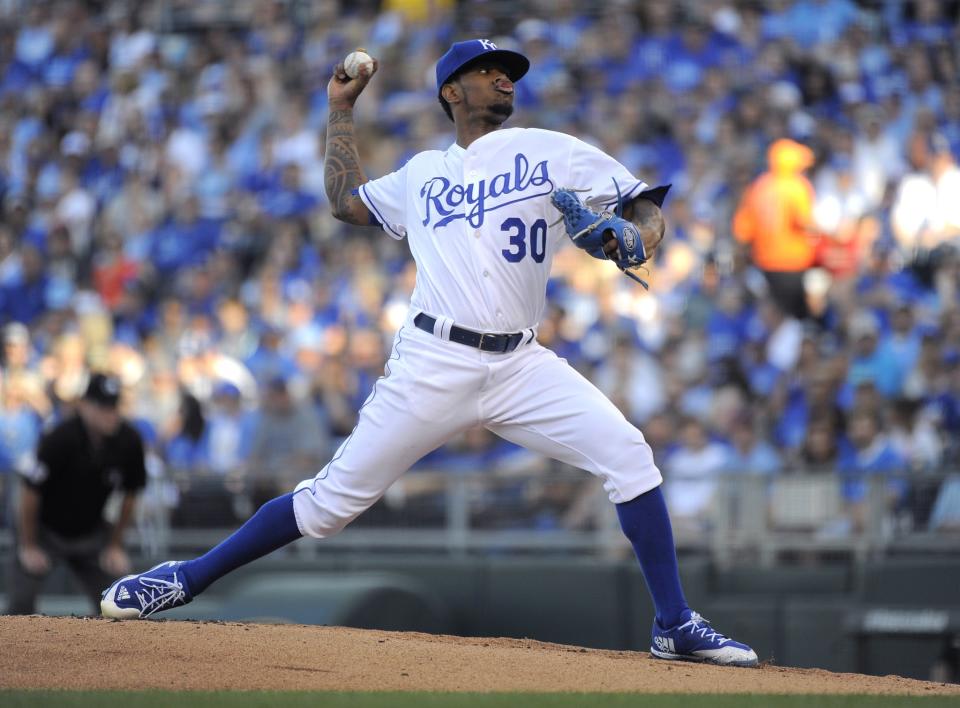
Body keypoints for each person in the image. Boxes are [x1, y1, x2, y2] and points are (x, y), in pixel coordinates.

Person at [101, 39, 758, 667]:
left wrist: (635, 238)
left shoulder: (552, 150)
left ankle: (673, 624)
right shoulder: (422, 174)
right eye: (489, 70)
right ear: (452, 91)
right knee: (328, 507)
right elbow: (343, 203)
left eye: (510, 72)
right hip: (433, 361)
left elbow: (646, 211)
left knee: (628, 453)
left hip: (521, 364)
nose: (506, 78)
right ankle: (184, 578)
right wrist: (340, 108)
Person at [7, 373, 146, 615]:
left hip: (91, 532)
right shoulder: (60, 437)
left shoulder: (129, 441)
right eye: (102, 406)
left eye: (113, 406)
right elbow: (30, 490)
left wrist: (115, 544)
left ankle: (112, 653)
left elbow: (131, 493)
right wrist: (28, 544)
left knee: (123, 604)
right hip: (45, 530)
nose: (109, 413)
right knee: (20, 605)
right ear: (84, 405)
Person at [733, 138, 818, 320]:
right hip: (795, 262)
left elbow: (743, 231)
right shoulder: (797, 186)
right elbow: (804, 223)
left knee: (778, 314)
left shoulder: (759, 187)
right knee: (798, 317)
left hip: (765, 263)